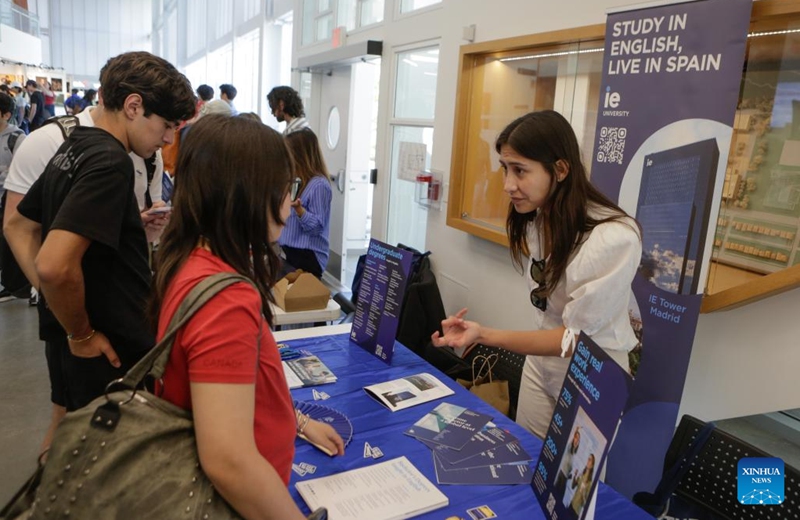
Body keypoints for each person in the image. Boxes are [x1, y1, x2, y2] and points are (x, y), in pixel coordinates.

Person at [150, 114, 343, 519]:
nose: (290, 202)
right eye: (285, 188)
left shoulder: (193, 259)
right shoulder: (224, 296)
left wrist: (299, 423)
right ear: (247, 193)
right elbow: (229, 461)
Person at [3, 51, 196, 455]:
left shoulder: (77, 144)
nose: (167, 140)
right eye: (166, 126)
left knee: (67, 439)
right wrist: (82, 331)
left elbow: (20, 226)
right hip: (106, 345)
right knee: (104, 465)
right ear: (133, 106)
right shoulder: (111, 162)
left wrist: (59, 306)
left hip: (74, 334)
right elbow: (55, 264)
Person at [431, 110, 641, 439]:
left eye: (520, 171)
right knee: (527, 460)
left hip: (590, 374)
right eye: (505, 169)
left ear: (560, 169)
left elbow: (573, 340)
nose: (508, 185)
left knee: (570, 486)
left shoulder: (614, 238)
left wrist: (483, 334)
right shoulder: (541, 219)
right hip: (542, 363)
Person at [278, 128, 332, 278]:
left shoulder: (319, 185)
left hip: (308, 257)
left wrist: (300, 210)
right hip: (288, 252)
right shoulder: (295, 181)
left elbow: (316, 228)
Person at [0, 92, 26, 302]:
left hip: (8, 197)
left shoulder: (16, 137)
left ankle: (10, 283)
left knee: (7, 238)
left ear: (6, 115)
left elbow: (22, 172)